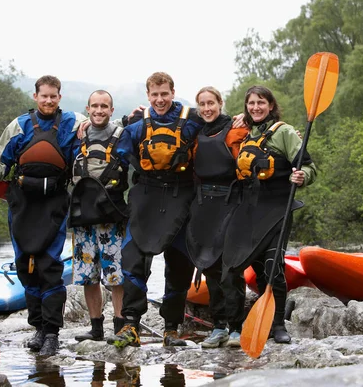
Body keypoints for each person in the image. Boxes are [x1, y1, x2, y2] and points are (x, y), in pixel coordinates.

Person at [0, 75, 86, 356]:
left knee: (49, 266)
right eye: (44, 96)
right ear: (35, 96)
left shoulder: (73, 123)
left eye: (53, 96)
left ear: (60, 97)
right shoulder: (19, 125)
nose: (48, 100)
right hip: (22, 203)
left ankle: (52, 334)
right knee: (25, 266)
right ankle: (38, 328)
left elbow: (100, 129)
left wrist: (123, 121)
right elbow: (1, 162)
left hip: (54, 203)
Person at [106, 72, 205, 348]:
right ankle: (130, 324)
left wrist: (240, 120)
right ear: (148, 96)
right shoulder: (137, 125)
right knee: (133, 260)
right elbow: (108, 136)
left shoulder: (192, 120)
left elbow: (221, 127)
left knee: (179, 264)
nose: (160, 100)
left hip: (181, 197)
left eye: (164, 94)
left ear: (173, 93)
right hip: (146, 197)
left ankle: (171, 328)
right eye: (154, 95)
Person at [221, 85, 317, 344]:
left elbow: (308, 167)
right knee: (232, 267)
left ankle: (277, 326)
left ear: (271, 105)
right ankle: (235, 327)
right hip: (247, 210)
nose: (256, 107)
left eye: (261, 102)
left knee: (274, 268)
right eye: (251, 103)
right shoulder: (245, 134)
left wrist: (301, 176)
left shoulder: (285, 133)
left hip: (277, 210)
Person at [185, 86, 248, 348]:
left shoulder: (236, 129)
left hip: (231, 202)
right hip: (203, 205)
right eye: (202, 104)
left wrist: (247, 116)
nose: (207, 108)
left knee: (230, 268)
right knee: (209, 265)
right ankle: (218, 326)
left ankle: (236, 328)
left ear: (221, 104)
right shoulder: (196, 132)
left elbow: (257, 143)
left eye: (211, 103)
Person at [69, 90, 128, 342]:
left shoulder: (122, 135)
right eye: (95, 106)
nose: (99, 110)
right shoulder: (75, 136)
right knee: (87, 277)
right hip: (83, 217)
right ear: (88, 108)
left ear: (111, 110)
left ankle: (120, 327)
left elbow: (139, 119)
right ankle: (95, 328)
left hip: (112, 216)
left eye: (104, 106)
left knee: (116, 275)